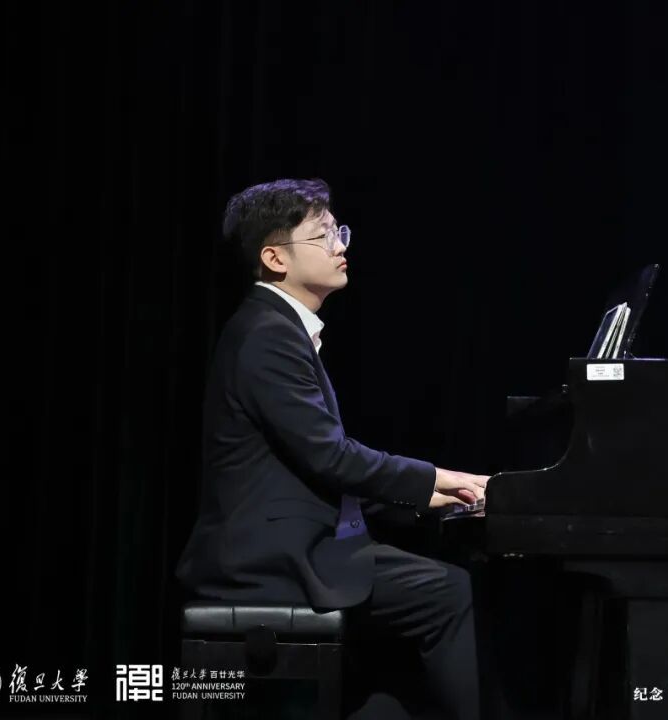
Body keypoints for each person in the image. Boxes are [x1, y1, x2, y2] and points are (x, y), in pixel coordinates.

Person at [176, 178, 487, 719]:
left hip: (299, 546)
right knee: (448, 591)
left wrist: (428, 495)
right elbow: (331, 456)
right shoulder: (267, 335)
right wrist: (435, 478)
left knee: (421, 620)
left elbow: (310, 466)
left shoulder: (276, 328)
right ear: (275, 258)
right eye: (323, 236)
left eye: (339, 231)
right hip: (269, 562)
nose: (340, 246)